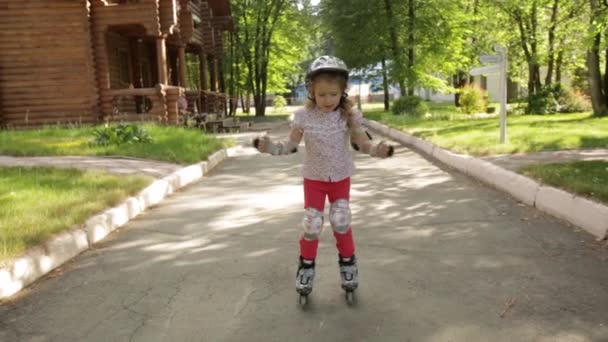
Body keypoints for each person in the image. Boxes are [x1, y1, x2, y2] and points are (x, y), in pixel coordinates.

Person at [253, 56, 394, 296]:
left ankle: (348, 265)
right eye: (321, 95)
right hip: (314, 179)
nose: (327, 100)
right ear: (311, 92)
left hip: (340, 177)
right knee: (312, 224)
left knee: (341, 221)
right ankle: (306, 268)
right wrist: (269, 147)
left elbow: (361, 143)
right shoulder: (303, 118)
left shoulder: (348, 116)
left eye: (333, 94)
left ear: (342, 92)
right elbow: (290, 145)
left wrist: (377, 150)